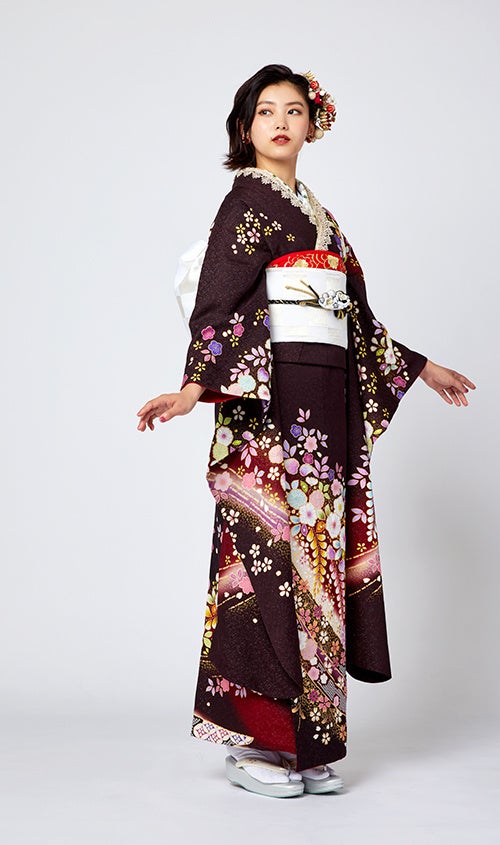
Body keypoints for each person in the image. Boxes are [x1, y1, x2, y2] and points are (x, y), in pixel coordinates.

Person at [136, 64, 476, 798]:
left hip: (322, 412)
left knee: (315, 567)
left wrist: (421, 367)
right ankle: (260, 743)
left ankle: (309, 743)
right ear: (245, 128)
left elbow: (356, 321)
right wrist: (193, 389)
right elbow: (217, 306)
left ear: (312, 124)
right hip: (268, 409)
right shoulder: (245, 203)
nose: (281, 123)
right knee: (265, 563)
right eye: (266, 112)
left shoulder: (321, 217)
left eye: (294, 111)